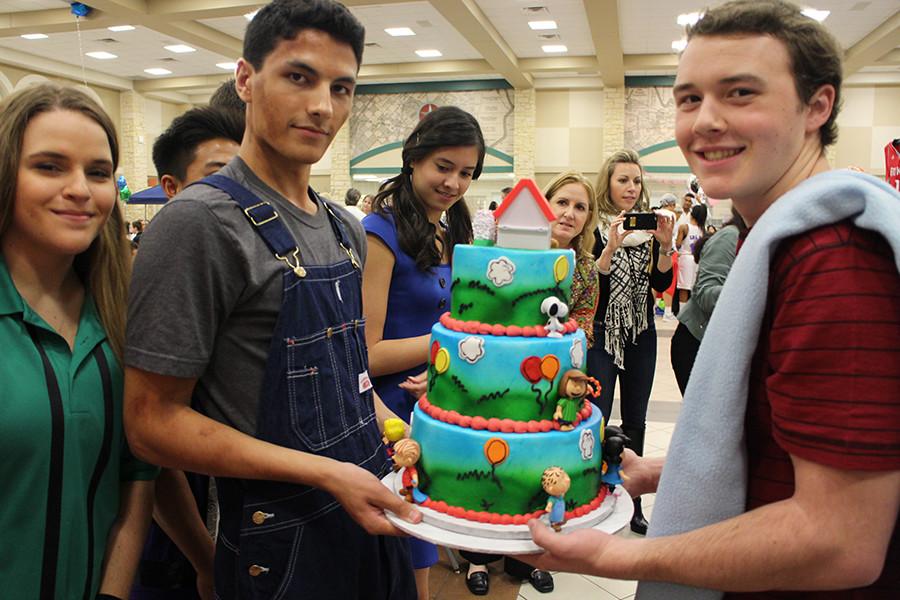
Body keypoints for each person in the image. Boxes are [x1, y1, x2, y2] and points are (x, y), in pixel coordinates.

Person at [526, 1, 900, 597]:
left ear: (818, 106)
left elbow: (840, 540)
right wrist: (663, 472)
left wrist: (611, 558)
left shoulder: (834, 259)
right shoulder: (773, 240)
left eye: (741, 93)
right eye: (689, 98)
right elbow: (788, 451)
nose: (704, 121)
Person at [123, 1, 419, 599]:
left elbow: (343, 378)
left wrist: (402, 431)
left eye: (342, 88)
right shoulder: (199, 224)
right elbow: (150, 423)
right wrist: (326, 473)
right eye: (299, 76)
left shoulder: (346, 228)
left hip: (372, 522)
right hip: (279, 552)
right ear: (245, 80)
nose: (322, 106)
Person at [0, 83, 158, 599]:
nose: (80, 189)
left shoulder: (119, 313)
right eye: (49, 166)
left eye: (97, 173)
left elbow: (136, 475)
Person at [361, 105, 485, 600]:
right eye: (443, 166)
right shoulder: (379, 232)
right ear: (413, 159)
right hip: (390, 412)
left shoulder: (454, 228)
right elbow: (365, 354)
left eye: (467, 173)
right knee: (405, 552)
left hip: (438, 399)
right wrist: (445, 345)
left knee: (428, 539)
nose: (454, 183)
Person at [131, 105, 244, 600]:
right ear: (172, 188)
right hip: (172, 516)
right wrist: (204, 557)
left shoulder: (245, 266)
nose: (240, 194)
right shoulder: (162, 272)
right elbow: (153, 448)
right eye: (220, 177)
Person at [587, 149, 674, 535]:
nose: (631, 187)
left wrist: (667, 247)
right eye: (623, 179)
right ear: (608, 182)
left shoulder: (650, 229)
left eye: (636, 180)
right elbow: (593, 291)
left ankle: (633, 500)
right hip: (604, 331)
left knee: (636, 421)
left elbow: (658, 285)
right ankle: (594, 498)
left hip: (642, 332)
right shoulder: (595, 228)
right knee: (597, 418)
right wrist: (609, 247)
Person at [670, 209, 747, 395]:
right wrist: (754, 288)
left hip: (724, 348)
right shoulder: (730, 237)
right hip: (697, 342)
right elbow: (706, 294)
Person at [544, 171, 600, 346]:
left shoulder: (587, 268)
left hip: (559, 359)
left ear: (588, 217)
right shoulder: (518, 252)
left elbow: (583, 325)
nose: (569, 214)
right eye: (562, 203)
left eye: (580, 207)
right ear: (545, 204)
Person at [674, 203, 707, 306]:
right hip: (698, 259)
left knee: (684, 287)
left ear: (692, 214)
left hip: (686, 257)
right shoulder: (703, 229)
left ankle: (682, 311)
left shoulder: (684, 227)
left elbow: (678, 244)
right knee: (694, 286)